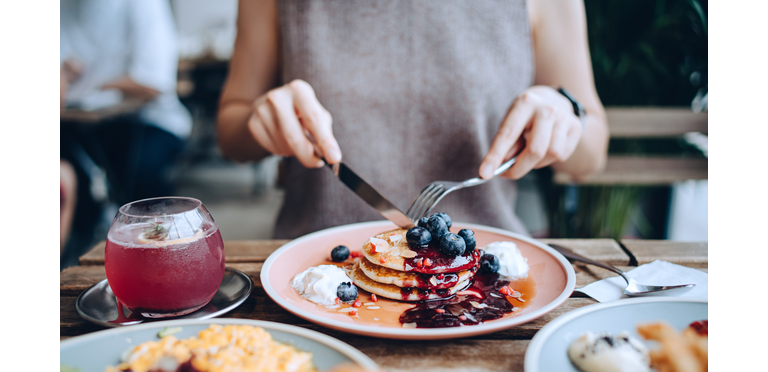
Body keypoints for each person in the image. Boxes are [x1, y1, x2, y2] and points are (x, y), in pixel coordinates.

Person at [217, 0, 609, 239]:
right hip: (312, 274)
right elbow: (230, 133)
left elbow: (592, 155)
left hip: (487, 285)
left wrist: (565, 114)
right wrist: (261, 120)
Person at [60, 0, 192, 204]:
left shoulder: (143, 5)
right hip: (84, 125)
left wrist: (91, 87)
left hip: (150, 121)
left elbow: (153, 82)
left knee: (141, 176)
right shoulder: (64, 9)